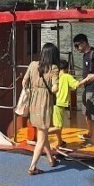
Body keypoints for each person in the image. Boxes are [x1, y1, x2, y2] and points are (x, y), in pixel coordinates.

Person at [24, 42, 60, 175]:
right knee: (41, 137)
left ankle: (51, 159)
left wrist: (30, 90)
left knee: (42, 132)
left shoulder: (33, 64)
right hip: (44, 103)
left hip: (34, 102)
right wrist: (54, 88)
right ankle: (32, 167)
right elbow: (55, 88)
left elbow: (24, 82)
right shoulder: (53, 68)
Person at [51, 60, 80, 149]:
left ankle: (60, 142)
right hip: (60, 103)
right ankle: (42, 134)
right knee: (58, 127)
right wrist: (87, 80)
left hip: (53, 102)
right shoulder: (67, 76)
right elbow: (77, 85)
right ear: (67, 68)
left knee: (57, 124)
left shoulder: (55, 77)